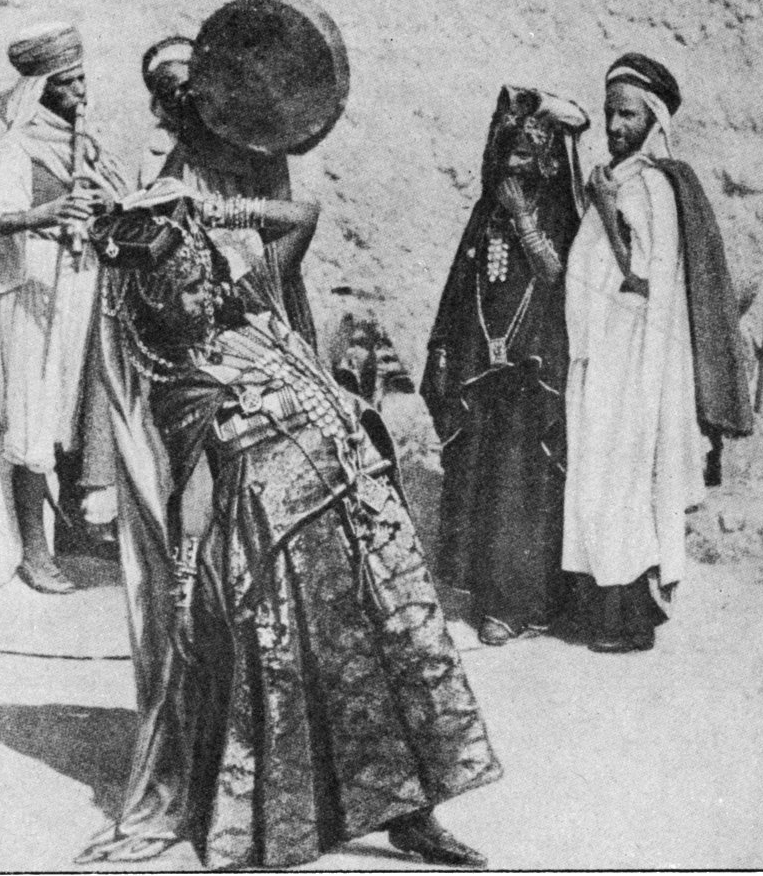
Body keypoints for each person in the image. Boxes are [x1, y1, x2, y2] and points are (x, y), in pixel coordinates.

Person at [77, 184, 500, 870]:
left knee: (399, 664)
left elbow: (303, 217)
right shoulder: (178, 380)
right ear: (155, 303)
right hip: (278, 550)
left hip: (355, 523)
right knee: (310, 687)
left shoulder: (256, 307)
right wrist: (184, 583)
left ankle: (416, 818)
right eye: (187, 291)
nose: (206, 297)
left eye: (206, 280)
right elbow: (197, 484)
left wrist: (218, 215)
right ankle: (291, 827)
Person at [562, 53, 753, 653]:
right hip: (602, 355)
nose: (615, 126)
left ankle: (630, 622)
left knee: (623, 482)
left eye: (628, 115)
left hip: (633, 359)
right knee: (598, 481)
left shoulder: (653, 187)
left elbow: (643, 283)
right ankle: (600, 611)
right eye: (610, 113)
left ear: (653, 120)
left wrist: (604, 207)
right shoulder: (619, 178)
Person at [0, 23, 126, 592]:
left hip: (76, 292)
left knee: (65, 418)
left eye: (82, 80)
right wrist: (48, 213)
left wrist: (109, 205)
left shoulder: (88, 146)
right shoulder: (17, 147)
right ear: (42, 90)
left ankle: (73, 535)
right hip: (29, 294)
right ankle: (33, 552)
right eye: (67, 84)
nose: (81, 92)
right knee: (31, 422)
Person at [421, 87, 589, 646]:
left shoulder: (558, 211)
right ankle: (479, 589)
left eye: (523, 154)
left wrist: (521, 218)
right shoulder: (485, 209)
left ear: (546, 159)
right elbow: (459, 283)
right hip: (481, 365)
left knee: (521, 482)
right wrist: (443, 347)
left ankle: (516, 604)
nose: (512, 165)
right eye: (506, 152)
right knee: (480, 472)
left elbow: (556, 275)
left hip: (532, 369)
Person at [137, 36, 318, 349]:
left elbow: (288, 214)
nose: (182, 96)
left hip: (254, 262)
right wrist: (186, 139)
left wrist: (218, 213)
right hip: (197, 275)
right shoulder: (162, 145)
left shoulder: (248, 136)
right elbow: (159, 209)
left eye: (188, 85)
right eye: (169, 90)